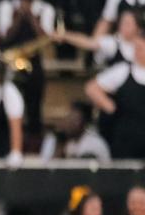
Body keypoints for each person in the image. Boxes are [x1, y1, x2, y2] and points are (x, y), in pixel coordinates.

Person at [0, 0, 54, 141]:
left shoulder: (45, 8)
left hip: (33, 60)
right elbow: (4, 36)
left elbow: (46, 38)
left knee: (35, 97)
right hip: (10, 59)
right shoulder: (7, 5)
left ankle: (33, 134)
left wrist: (31, 17)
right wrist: (19, 18)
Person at [84, 27, 145, 159]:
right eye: (136, 47)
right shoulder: (123, 70)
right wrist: (111, 107)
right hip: (127, 137)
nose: (137, 51)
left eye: (140, 48)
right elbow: (92, 88)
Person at [57, 9, 140, 68]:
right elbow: (89, 43)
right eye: (122, 23)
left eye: (128, 24)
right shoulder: (114, 42)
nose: (123, 27)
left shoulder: (141, 43)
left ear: (138, 27)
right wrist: (64, 35)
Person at [38, 100, 111, 163]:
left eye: (75, 120)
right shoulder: (54, 139)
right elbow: (47, 170)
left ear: (84, 123)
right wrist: (60, 144)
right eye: (69, 118)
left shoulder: (95, 143)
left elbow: (82, 172)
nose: (70, 123)